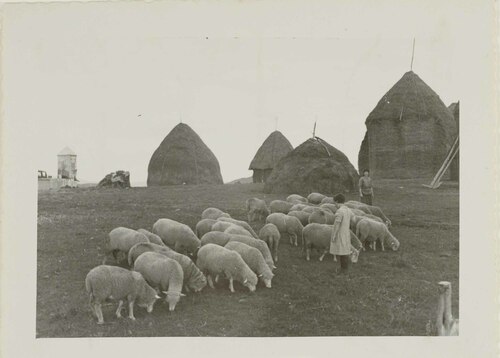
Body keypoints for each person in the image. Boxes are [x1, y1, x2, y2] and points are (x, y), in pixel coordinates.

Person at [330, 193, 353, 274]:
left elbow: (337, 224)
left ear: (337, 201)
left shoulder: (340, 211)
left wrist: (334, 235)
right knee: (345, 251)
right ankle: (344, 268)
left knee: (341, 252)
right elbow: (353, 219)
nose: (334, 205)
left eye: (334, 203)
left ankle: (343, 269)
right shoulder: (348, 210)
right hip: (346, 233)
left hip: (340, 233)